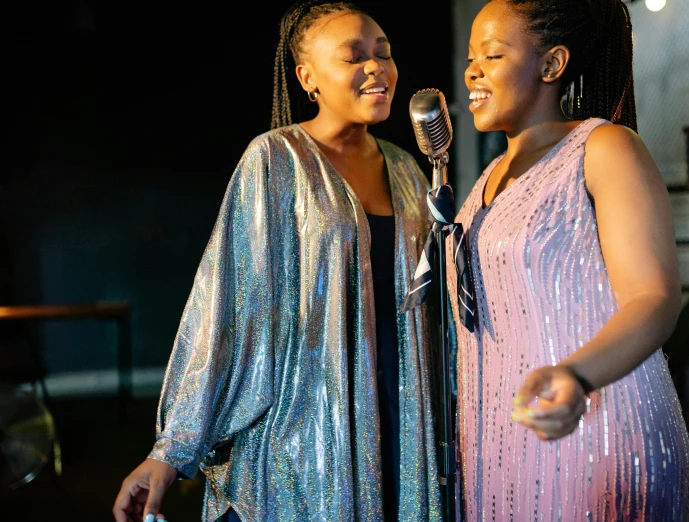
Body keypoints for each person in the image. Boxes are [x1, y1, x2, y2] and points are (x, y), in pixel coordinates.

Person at [112, 2, 442, 520]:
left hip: (398, 425)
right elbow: (227, 310)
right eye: (353, 57)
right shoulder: (274, 158)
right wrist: (170, 453)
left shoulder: (407, 170)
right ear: (308, 77)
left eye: (384, 53)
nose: (376, 67)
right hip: (304, 441)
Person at [445, 0, 689, 520]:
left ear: (552, 65)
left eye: (491, 55)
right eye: (471, 57)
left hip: (596, 434)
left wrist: (576, 376)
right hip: (502, 445)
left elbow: (654, 297)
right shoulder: (484, 182)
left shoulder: (603, 147)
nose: (472, 70)